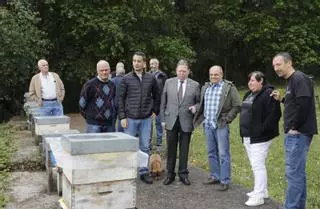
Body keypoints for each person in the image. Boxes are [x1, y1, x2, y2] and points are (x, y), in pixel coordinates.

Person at [271, 52, 317, 209]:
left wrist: (294, 127)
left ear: (289, 63)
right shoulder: (292, 81)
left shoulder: (298, 78)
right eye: (274, 66)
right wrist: (282, 99)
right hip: (297, 133)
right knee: (298, 174)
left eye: (279, 64)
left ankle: (291, 206)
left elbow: (304, 105)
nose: (276, 68)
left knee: (293, 174)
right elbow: (295, 103)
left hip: (298, 134)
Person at [194, 65, 240, 191]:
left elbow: (237, 105)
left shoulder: (229, 88)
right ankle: (215, 176)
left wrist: (227, 119)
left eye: (216, 74)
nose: (213, 77)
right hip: (208, 125)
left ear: (221, 75)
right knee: (211, 153)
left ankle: (225, 180)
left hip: (221, 125)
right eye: (211, 75)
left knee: (223, 153)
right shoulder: (206, 87)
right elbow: (202, 105)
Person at [240, 71, 281, 206]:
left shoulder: (269, 94)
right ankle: (262, 191)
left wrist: (262, 129)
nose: (250, 83)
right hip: (247, 135)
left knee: (257, 165)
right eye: (249, 81)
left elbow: (275, 115)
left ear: (261, 80)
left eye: (253, 80)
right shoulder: (249, 94)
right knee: (255, 164)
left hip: (260, 137)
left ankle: (258, 197)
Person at [118, 51, 160, 184]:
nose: (136, 63)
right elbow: (120, 99)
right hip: (130, 118)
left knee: (144, 146)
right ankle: (128, 172)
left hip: (146, 119)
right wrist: (122, 117)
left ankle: (143, 172)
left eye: (139, 61)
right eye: (134, 61)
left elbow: (157, 96)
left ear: (144, 63)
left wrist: (155, 110)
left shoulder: (151, 78)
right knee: (129, 146)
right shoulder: (126, 78)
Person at [160, 60, 200, 186]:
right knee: (171, 149)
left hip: (186, 121)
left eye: (184, 71)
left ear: (188, 71)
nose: (182, 73)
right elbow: (163, 102)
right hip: (171, 120)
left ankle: (183, 174)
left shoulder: (195, 85)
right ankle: (170, 174)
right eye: (179, 71)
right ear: (176, 71)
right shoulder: (168, 82)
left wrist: (195, 108)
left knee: (184, 149)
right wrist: (162, 120)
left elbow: (199, 102)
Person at [79, 60, 116, 133]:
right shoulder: (90, 85)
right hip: (93, 124)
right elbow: (82, 103)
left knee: (109, 145)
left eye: (106, 70)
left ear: (109, 70)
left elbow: (113, 102)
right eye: (101, 70)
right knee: (93, 144)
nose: (104, 72)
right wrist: (89, 117)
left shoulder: (112, 85)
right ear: (97, 71)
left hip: (109, 124)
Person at [149, 58, 167, 148]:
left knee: (158, 122)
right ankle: (148, 141)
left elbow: (165, 90)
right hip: (149, 102)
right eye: (151, 64)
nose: (152, 65)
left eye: (153, 64)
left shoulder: (163, 76)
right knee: (148, 123)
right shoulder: (147, 75)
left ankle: (159, 142)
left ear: (157, 65)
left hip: (159, 102)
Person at [111, 62, 126, 132]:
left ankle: (112, 134)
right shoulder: (126, 80)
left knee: (113, 120)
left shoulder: (112, 81)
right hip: (123, 104)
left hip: (113, 103)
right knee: (121, 119)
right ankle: (121, 134)